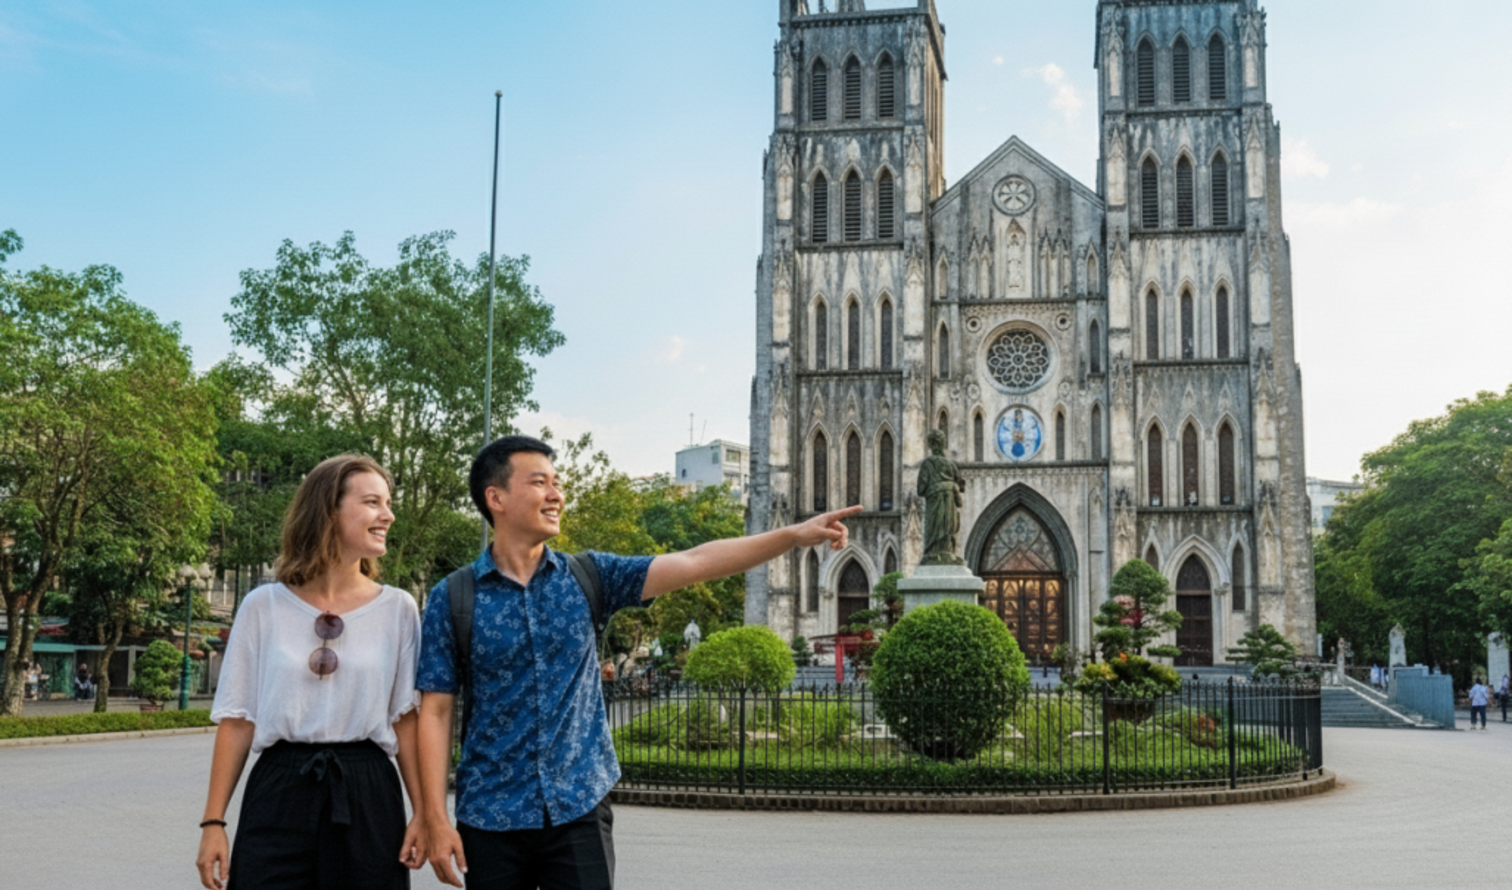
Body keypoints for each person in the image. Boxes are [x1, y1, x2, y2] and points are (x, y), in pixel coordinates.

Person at [417, 435, 862, 889]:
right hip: (491, 816)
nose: (557, 495)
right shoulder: (454, 598)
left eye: (557, 482)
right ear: (496, 498)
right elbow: (434, 711)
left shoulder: (589, 577)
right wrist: (434, 818)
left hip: (579, 808)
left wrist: (792, 534)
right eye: (539, 483)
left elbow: (695, 561)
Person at [196, 455, 427, 890]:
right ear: (328, 510)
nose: (388, 515)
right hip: (279, 789)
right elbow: (237, 719)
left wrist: (425, 814)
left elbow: (406, 720)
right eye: (373, 502)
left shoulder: (399, 609)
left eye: (388, 502)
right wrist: (213, 822)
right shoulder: (263, 606)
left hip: (368, 793)